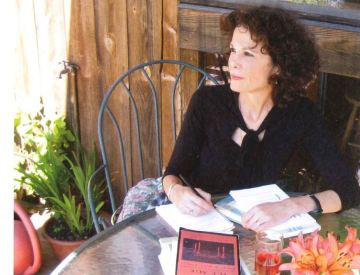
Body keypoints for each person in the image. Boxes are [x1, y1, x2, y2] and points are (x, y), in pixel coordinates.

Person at [161, 6, 360, 232]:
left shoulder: (300, 114)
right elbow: (172, 174)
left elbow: (348, 190)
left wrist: (290, 206)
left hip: (257, 233)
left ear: (279, 65)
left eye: (248, 53)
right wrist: (177, 193)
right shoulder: (207, 102)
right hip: (196, 223)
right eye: (233, 50)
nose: (233, 61)